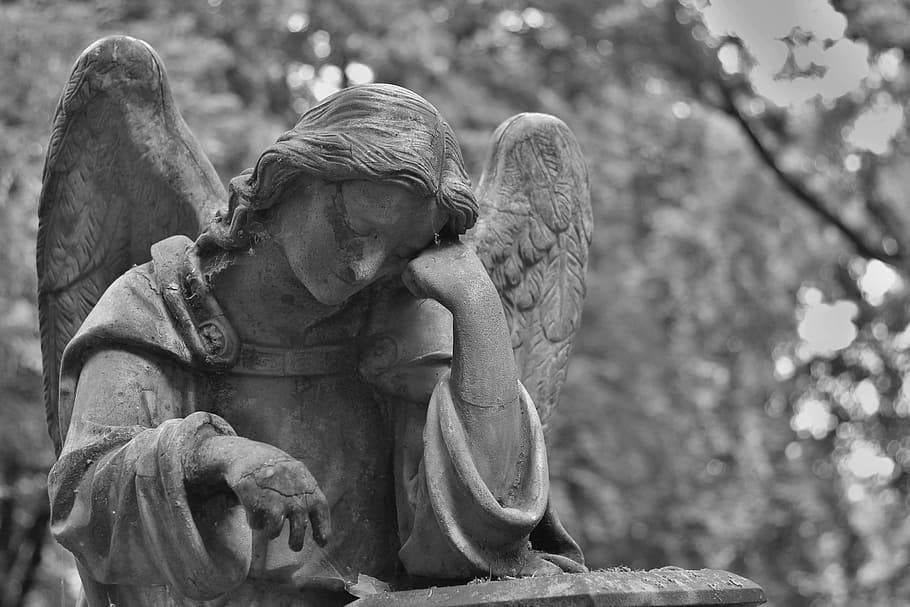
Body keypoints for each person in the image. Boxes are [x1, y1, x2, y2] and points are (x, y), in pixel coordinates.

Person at [48, 84, 584, 607]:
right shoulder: (162, 305)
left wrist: (477, 306)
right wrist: (216, 456)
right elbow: (82, 497)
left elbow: (488, 538)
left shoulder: (405, 323)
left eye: (400, 251)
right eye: (356, 226)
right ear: (294, 178)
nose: (365, 267)